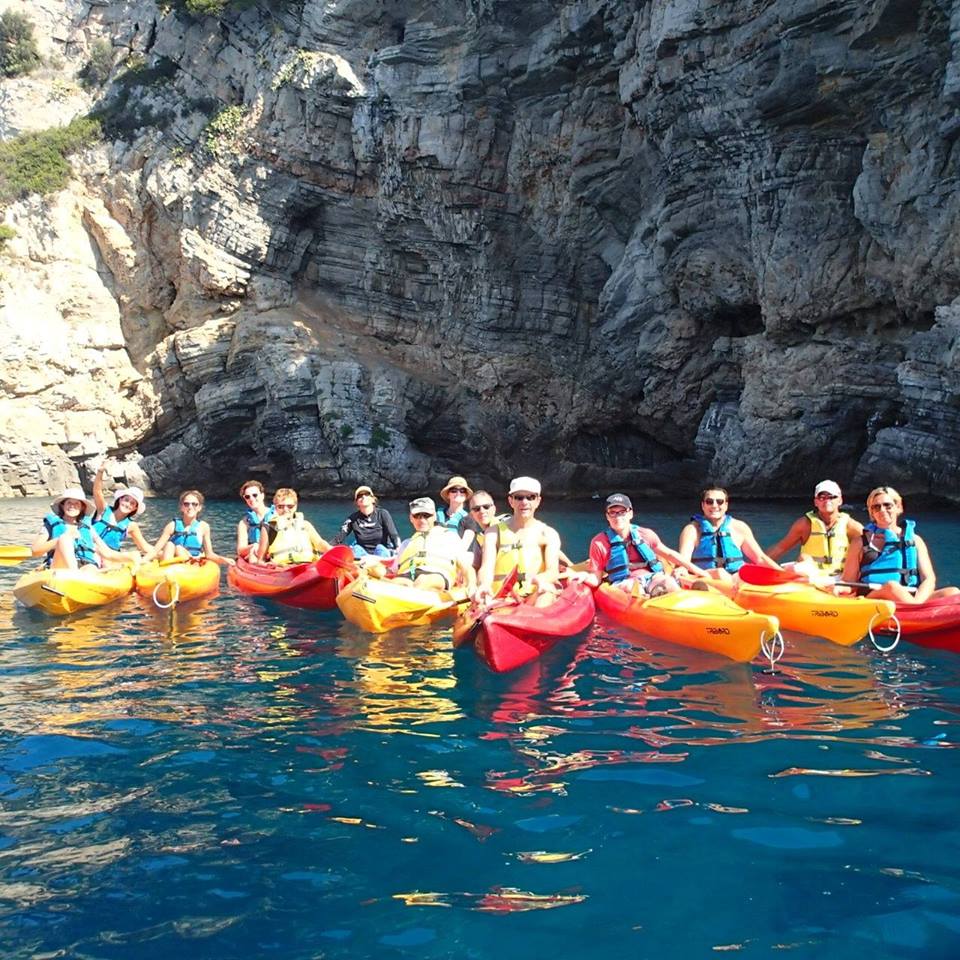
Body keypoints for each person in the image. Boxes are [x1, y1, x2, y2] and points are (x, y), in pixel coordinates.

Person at [840, 486, 959, 605]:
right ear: (872, 512)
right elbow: (848, 582)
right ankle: (917, 611)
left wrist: (918, 601)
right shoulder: (859, 542)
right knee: (891, 587)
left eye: (888, 505)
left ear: (898, 507)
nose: (882, 510)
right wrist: (839, 589)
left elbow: (928, 579)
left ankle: (915, 610)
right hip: (875, 599)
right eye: (876, 507)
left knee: (953, 592)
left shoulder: (916, 540)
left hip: (911, 598)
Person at [584, 494, 709, 594]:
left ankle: (670, 595)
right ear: (607, 516)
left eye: (622, 512)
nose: (618, 517)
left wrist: (698, 571)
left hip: (651, 577)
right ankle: (653, 596)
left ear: (630, 513)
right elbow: (596, 578)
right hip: (624, 582)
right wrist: (581, 577)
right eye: (613, 512)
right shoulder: (599, 543)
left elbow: (670, 554)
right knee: (631, 588)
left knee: (668, 582)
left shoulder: (645, 534)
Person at [476, 476, 562, 608]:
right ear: (511, 501)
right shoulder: (493, 533)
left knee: (547, 592)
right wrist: (484, 585)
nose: (524, 502)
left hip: (533, 594)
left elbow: (552, 570)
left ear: (538, 501)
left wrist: (540, 579)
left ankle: (535, 622)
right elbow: (486, 567)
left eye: (530, 497)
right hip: (502, 597)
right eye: (519, 497)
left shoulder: (548, 534)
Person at [678, 485, 780, 579]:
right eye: (709, 501)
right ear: (703, 505)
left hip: (737, 576)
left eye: (719, 501)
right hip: (706, 577)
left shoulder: (740, 527)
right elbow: (684, 561)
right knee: (720, 573)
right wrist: (681, 570)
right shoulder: (692, 530)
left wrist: (783, 574)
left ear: (726, 505)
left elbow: (760, 558)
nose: (714, 505)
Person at [767, 480, 863, 576]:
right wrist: (758, 564)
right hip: (811, 576)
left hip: (840, 577)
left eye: (832, 497)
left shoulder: (851, 526)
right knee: (803, 558)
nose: (827, 501)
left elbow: (870, 548)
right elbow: (780, 548)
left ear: (840, 501)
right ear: (816, 502)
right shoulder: (804, 524)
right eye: (822, 497)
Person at [31, 487, 138, 571]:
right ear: (62, 505)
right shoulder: (50, 525)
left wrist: (130, 557)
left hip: (85, 565)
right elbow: (35, 551)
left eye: (76, 503)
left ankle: (88, 584)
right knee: (65, 539)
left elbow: (107, 552)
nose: (72, 506)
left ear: (82, 507)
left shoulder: (87, 527)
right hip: (60, 567)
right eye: (69, 503)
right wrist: (59, 540)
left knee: (91, 567)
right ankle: (75, 576)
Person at [393, 497, 474, 591]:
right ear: (411, 518)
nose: (422, 520)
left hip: (437, 573)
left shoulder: (449, 537)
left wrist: (472, 585)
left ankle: (413, 597)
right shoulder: (406, 544)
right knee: (397, 583)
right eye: (417, 516)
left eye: (426, 515)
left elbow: (467, 567)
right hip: (408, 574)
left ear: (434, 516)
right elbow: (393, 570)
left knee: (423, 580)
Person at [150, 491, 234, 566]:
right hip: (173, 563)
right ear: (181, 507)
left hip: (191, 564)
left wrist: (223, 560)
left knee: (179, 548)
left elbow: (209, 554)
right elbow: (155, 550)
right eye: (186, 504)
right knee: (169, 545)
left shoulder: (204, 527)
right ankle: (166, 571)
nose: (190, 507)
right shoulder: (172, 526)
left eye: (194, 504)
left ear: (199, 507)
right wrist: (143, 561)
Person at [255, 488, 333, 564]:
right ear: (275, 508)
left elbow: (320, 543)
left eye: (290, 506)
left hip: (308, 566)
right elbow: (261, 559)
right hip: (282, 569)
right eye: (280, 507)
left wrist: (332, 550)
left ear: (295, 507)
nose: (285, 510)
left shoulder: (305, 525)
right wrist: (266, 566)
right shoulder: (269, 528)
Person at [91, 465, 153, 558]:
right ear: (120, 499)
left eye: (132, 503)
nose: (127, 504)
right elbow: (97, 491)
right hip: (93, 551)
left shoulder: (131, 525)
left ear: (134, 508)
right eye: (126, 500)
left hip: (112, 557)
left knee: (134, 555)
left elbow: (144, 546)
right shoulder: (103, 510)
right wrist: (100, 472)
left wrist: (160, 553)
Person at [332, 485, 400, 558]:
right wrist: (327, 547)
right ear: (357, 502)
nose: (363, 497)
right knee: (356, 549)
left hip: (382, 551)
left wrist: (398, 548)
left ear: (372, 499)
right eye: (360, 496)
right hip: (362, 554)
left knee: (380, 548)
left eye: (367, 494)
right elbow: (339, 537)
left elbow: (394, 535)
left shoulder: (383, 514)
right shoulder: (352, 519)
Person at [460, 489, 507, 569]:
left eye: (486, 507)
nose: (482, 511)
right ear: (471, 515)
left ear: (494, 509)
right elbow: (476, 566)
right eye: (476, 509)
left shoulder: (506, 526)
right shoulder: (479, 538)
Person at [236, 479, 275, 559]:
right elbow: (240, 550)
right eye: (247, 497)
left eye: (255, 495)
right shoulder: (244, 523)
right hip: (255, 555)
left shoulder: (276, 515)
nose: (251, 499)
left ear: (262, 495)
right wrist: (254, 546)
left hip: (274, 554)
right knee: (252, 556)